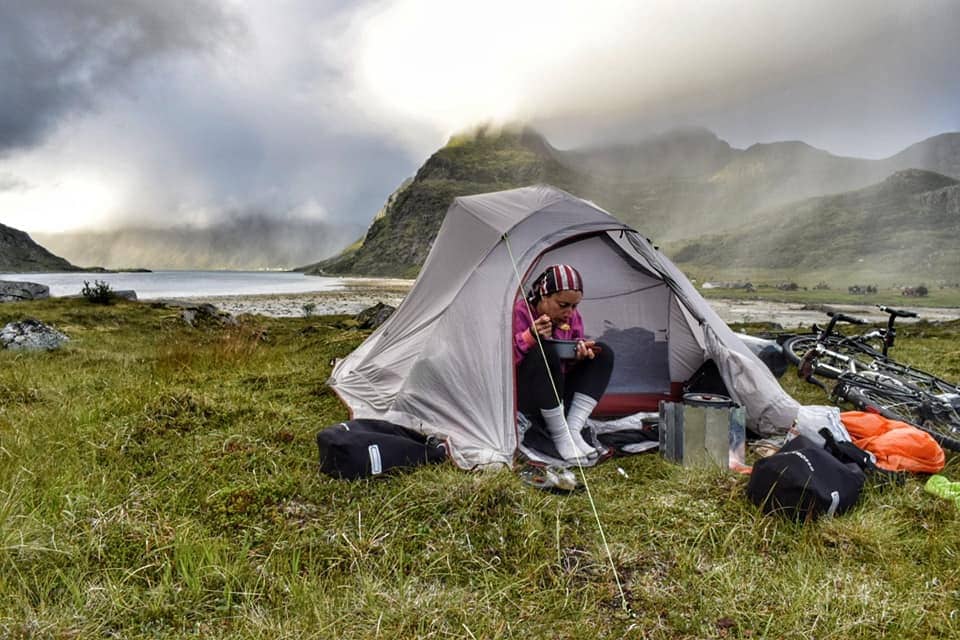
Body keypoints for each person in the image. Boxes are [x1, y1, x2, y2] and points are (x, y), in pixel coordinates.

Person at [513, 264, 614, 462]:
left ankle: (573, 429)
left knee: (603, 353)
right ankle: (560, 436)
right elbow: (502, 364)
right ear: (543, 296)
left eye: (574, 306)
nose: (569, 312)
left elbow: (564, 365)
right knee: (544, 349)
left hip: (556, 391)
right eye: (563, 305)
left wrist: (579, 356)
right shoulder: (518, 313)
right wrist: (530, 336)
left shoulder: (572, 318)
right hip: (526, 395)